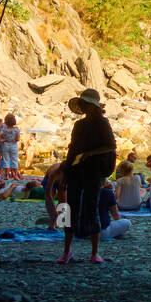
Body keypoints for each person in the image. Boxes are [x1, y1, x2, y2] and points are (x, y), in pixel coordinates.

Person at [58, 89, 117, 266]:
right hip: (77, 170)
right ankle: (67, 251)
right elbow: (72, 149)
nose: (84, 107)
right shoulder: (79, 125)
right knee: (71, 208)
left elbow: (111, 145)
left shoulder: (102, 123)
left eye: (85, 104)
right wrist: (66, 171)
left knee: (91, 207)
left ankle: (94, 252)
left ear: (92, 106)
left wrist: (89, 154)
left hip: (94, 171)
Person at [0, 112, 20, 178]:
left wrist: (2, 141)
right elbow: (17, 139)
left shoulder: (4, 129)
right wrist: (13, 140)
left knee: (6, 160)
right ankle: (15, 175)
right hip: (13, 145)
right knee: (14, 160)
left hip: (5, 145)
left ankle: (6, 175)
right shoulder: (16, 129)